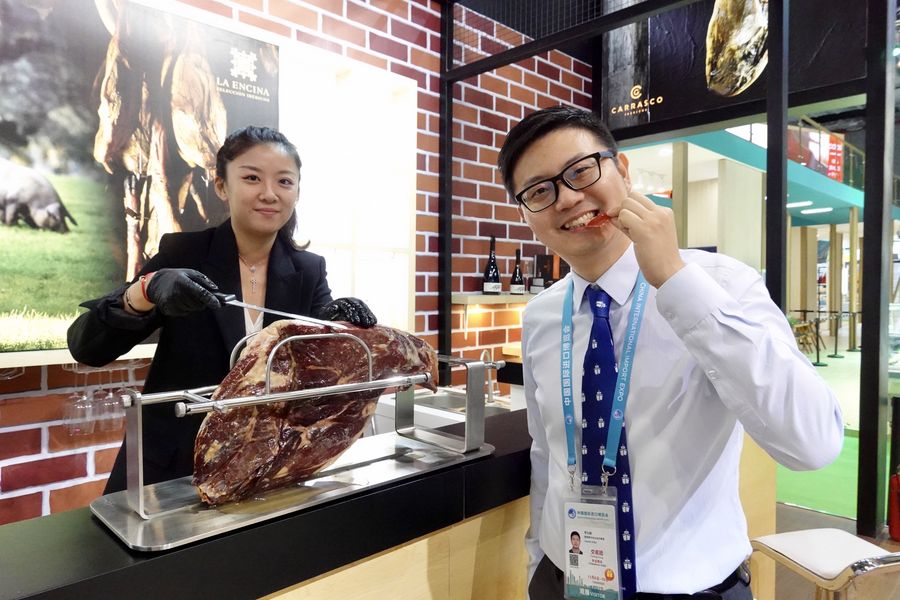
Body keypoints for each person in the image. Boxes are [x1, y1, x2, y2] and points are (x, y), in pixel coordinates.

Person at [497, 106, 843, 599]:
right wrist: (538, 560)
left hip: (692, 590)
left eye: (581, 170)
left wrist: (676, 281)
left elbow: (813, 443)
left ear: (622, 170)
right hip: (565, 579)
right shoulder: (541, 317)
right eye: (538, 191)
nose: (568, 197)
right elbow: (546, 453)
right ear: (526, 215)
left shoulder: (722, 284)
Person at [68, 125, 377, 494]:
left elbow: (317, 357)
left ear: (297, 191)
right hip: (174, 469)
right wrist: (146, 290)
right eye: (251, 178)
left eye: (284, 181)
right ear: (221, 186)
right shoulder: (183, 253)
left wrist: (339, 324)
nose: (269, 193)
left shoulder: (308, 269)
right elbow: (87, 347)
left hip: (265, 469)